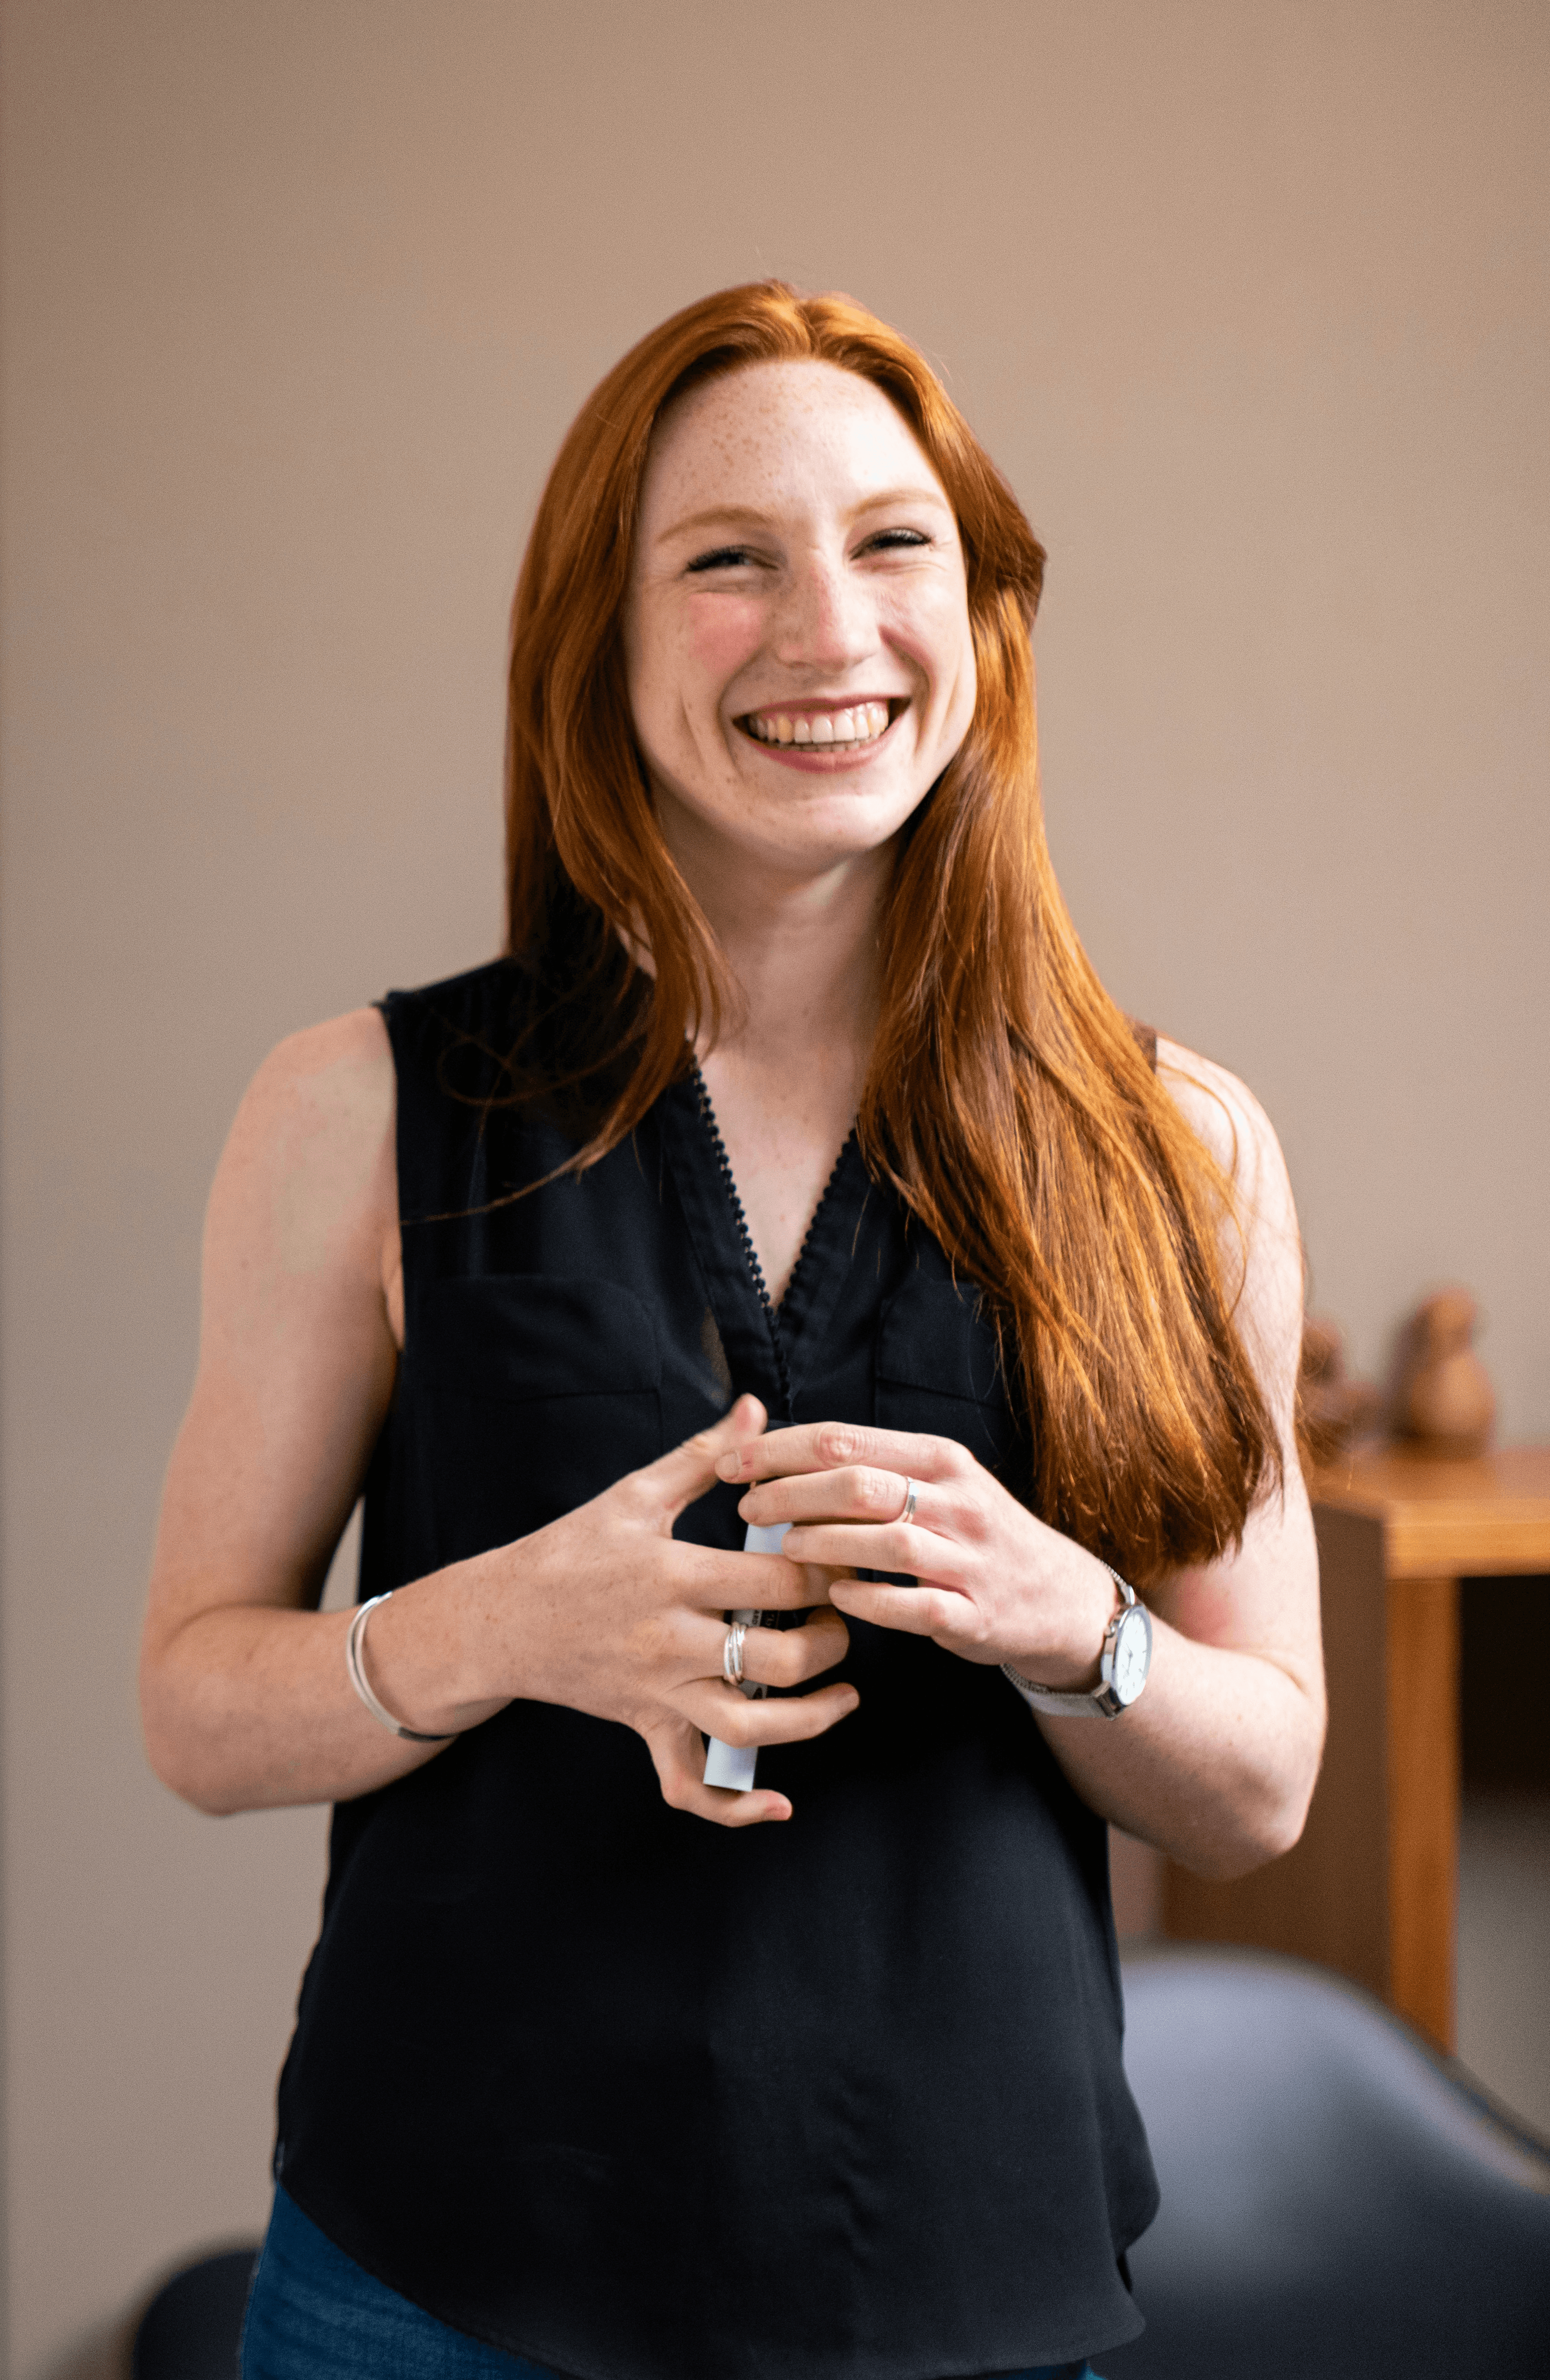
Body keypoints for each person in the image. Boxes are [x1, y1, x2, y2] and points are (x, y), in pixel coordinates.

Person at [140, 281, 1323, 2380]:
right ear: (594, 637)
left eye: (891, 543)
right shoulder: (356, 1111)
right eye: (727, 561)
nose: (826, 629)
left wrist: (1070, 1620)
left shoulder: (1181, 1145)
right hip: (436, 2288)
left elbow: (1259, 1783)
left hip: (966, 2291)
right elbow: (196, 1706)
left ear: (983, 612)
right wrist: (500, 1625)